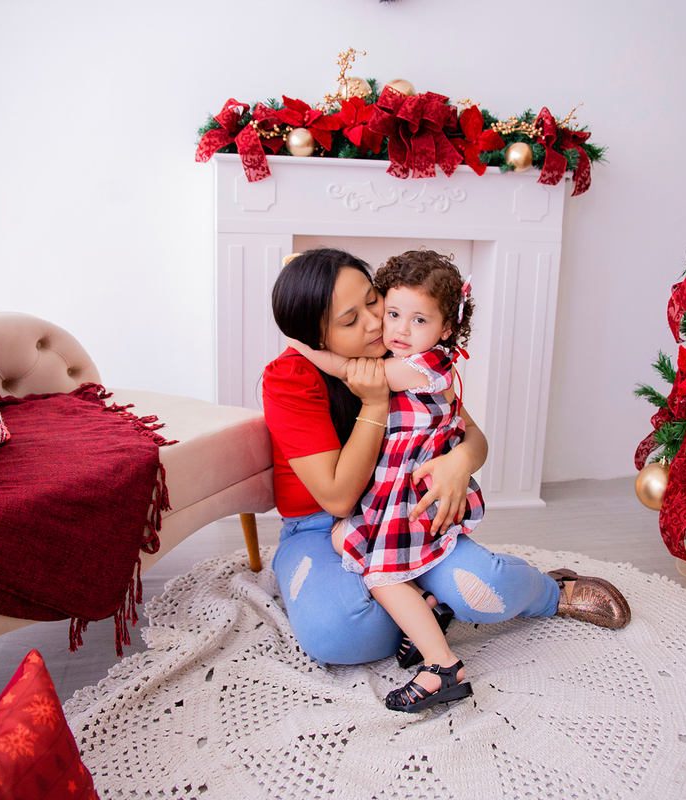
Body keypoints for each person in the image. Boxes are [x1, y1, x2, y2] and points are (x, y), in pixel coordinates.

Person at [263, 247, 631, 713]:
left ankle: (550, 591)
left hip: (404, 510)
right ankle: (425, 604)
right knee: (342, 633)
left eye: (374, 300)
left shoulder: (408, 351)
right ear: (316, 336)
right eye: (351, 320)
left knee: (484, 590)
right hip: (322, 525)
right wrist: (374, 404)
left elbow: (472, 434)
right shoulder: (291, 376)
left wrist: (460, 462)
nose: (377, 323)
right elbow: (337, 499)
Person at [288, 250, 484, 711]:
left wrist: (303, 343)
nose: (398, 330)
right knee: (343, 539)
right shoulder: (411, 357)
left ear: (446, 329)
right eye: (393, 313)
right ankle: (427, 603)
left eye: (419, 320)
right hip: (390, 491)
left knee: (381, 576)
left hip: (412, 496)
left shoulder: (425, 365)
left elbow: (349, 371)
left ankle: (443, 667)